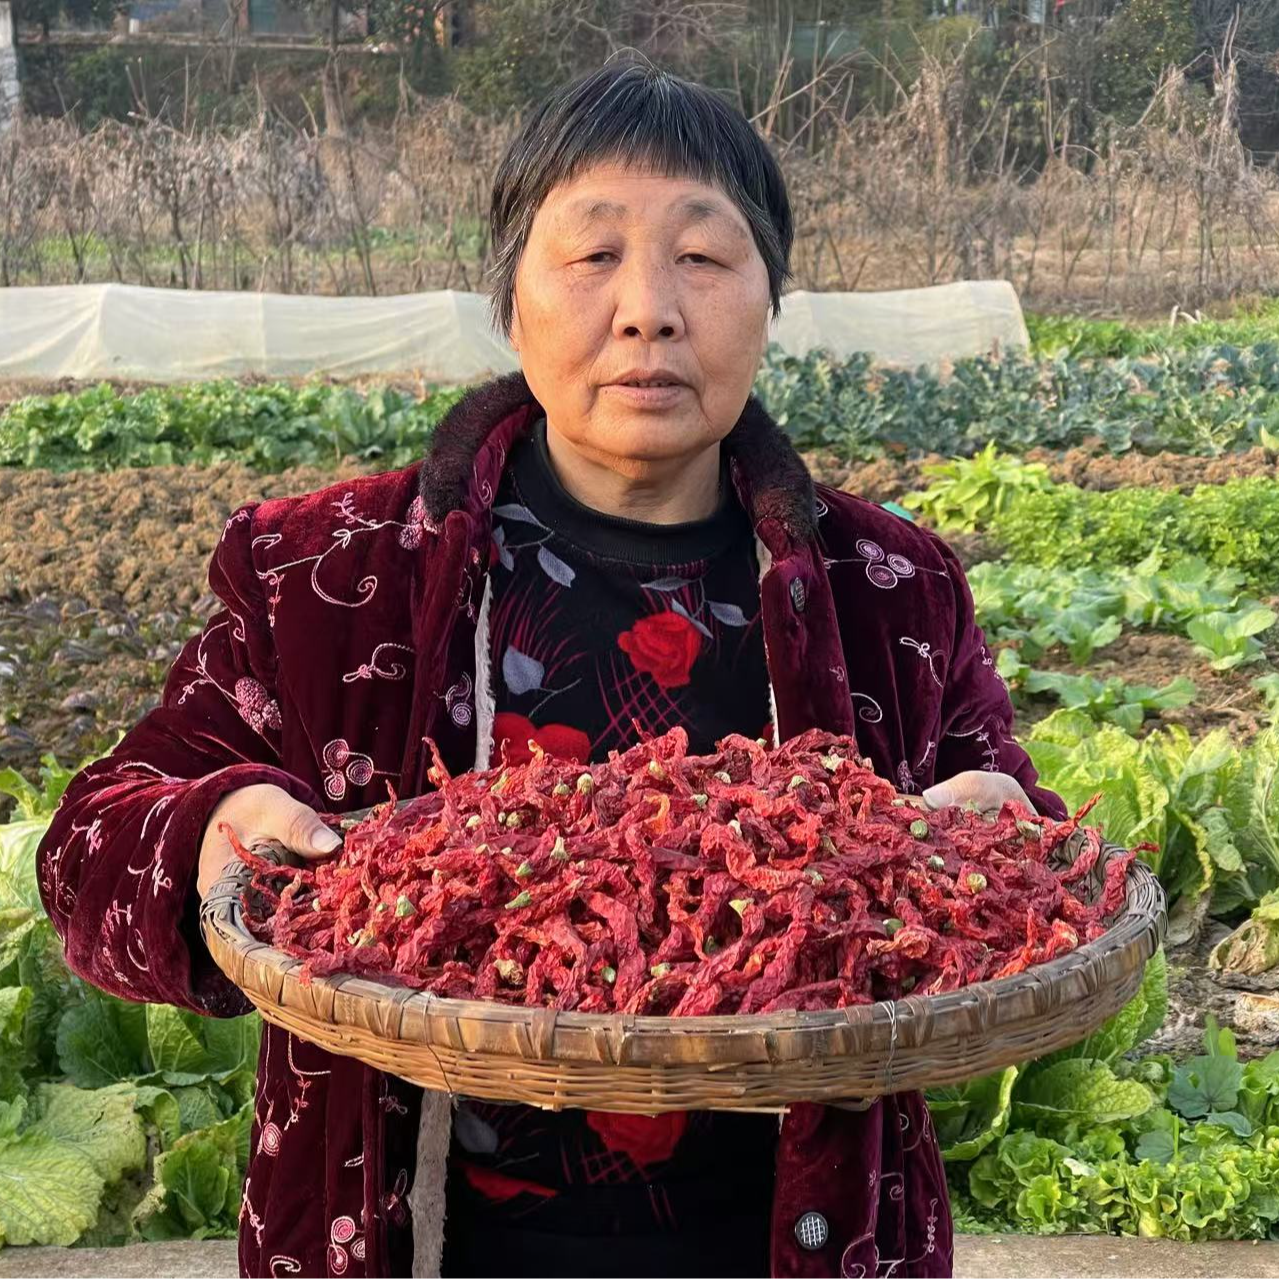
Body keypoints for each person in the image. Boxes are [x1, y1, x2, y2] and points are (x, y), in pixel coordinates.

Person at [38, 57, 1064, 1279]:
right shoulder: (324, 575)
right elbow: (91, 845)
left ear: (770, 299)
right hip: (420, 1243)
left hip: (800, 1238)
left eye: (703, 256)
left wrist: (1000, 836)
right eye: (592, 255)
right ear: (509, 298)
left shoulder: (888, 589)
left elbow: (1020, 846)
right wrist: (216, 827)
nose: (648, 310)